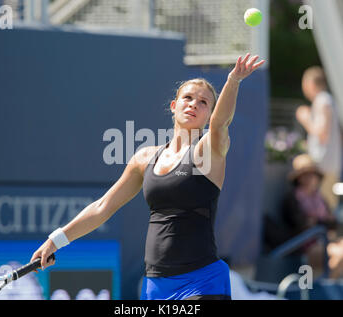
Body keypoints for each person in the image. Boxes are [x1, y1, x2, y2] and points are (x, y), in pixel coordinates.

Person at [31, 53, 265, 300]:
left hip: (202, 282)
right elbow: (103, 207)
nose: (194, 104)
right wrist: (55, 240)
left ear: (208, 115)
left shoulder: (209, 150)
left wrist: (234, 80)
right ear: (174, 107)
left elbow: (221, 123)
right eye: (187, 98)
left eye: (204, 102)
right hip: (155, 284)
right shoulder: (144, 158)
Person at [281, 153, 337, 275]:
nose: (311, 178)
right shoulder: (292, 198)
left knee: (337, 257)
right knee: (337, 255)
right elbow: (301, 224)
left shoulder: (320, 198)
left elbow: (333, 223)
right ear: (299, 178)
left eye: (313, 174)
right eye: (306, 174)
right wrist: (320, 222)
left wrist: (317, 221)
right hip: (305, 247)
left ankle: (329, 285)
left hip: (324, 241)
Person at [295, 66, 342, 212]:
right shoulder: (327, 100)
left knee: (326, 208)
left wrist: (305, 118)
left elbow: (322, 132)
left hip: (324, 165)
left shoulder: (322, 100)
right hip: (329, 163)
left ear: (310, 83)